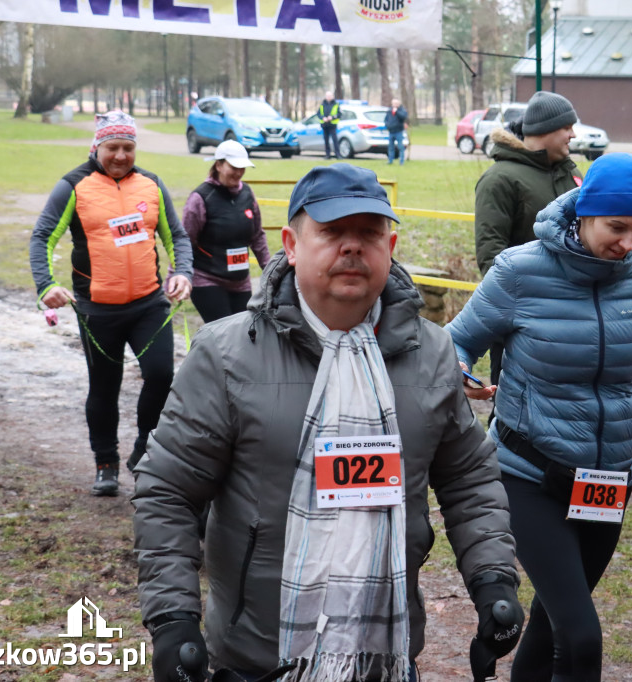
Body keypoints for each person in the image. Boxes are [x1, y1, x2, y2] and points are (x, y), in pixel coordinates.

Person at [132, 163, 523, 682]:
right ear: (291, 244)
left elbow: (470, 479)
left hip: (386, 654)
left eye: (369, 233)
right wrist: (174, 620)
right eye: (333, 232)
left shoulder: (431, 354)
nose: (352, 247)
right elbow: (167, 489)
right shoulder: (227, 356)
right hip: (260, 656)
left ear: (391, 245)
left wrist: (493, 580)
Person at [446, 153, 632, 682]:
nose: (628, 242)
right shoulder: (519, 271)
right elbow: (456, 344)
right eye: (616, 227)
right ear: (583, 212)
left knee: (550, 626)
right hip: (528, 474)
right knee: (581, 638)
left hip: (609, 480)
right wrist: (464, 376)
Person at [29, 110, 193, 497]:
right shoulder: (73, 185)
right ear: (97, 146)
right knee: (104, 388)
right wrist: (45, 286)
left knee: (161, 377)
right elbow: (42, 237)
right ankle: (106, 462)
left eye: (128, 147)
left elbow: (178, 236)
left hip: (149, 304)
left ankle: (143, 452)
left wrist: (182, 271)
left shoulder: (151, 185)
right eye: (113, 147)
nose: (121, 155)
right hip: (97, 310)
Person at [473, 91, 584, 387]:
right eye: (567, 127)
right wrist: (525, 311)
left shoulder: (571, 175)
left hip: (577, 319)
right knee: (512, 413)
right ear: (545, 129)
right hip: (522, 323)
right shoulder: (500, 179)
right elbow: (491, 256)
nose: (573, 135)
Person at [180, 140, 269, 326]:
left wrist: (270, 268)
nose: (239, 173)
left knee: (244, 334)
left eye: (242, 168)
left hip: (239, 280)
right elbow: (185, 241)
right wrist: (179, 275)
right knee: (225, 334)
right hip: (207, 279)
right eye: (234, 167)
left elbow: (257, 236)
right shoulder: (201, 197)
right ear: (219, 165)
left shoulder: (247, 194)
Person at [384, 98, 408, 165]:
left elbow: (403, 117)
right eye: (393, 103)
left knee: (400, 147)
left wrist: (397, 112)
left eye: (396, 103)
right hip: (391, 131)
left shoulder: (402, 110)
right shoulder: (389, 110)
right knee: (391, 147)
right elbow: (386, 119)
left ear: (399, 104)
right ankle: (390, 160)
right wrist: (387, 125)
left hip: (399, 131)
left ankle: (401, 161)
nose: (394, 105)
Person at [319, 90, 341, 159]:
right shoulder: (322, 104)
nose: (328, 97)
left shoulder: (336, 104)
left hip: (332, 125)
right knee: (326, 141)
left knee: (335, 140)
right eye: (327, 96)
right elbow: (318, 113)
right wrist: (323, 118)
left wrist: (332, 117)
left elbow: (339, 114)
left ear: (332, 96)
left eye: (330, 96)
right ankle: (327, 155)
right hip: (325, 125)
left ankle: (338, 155)